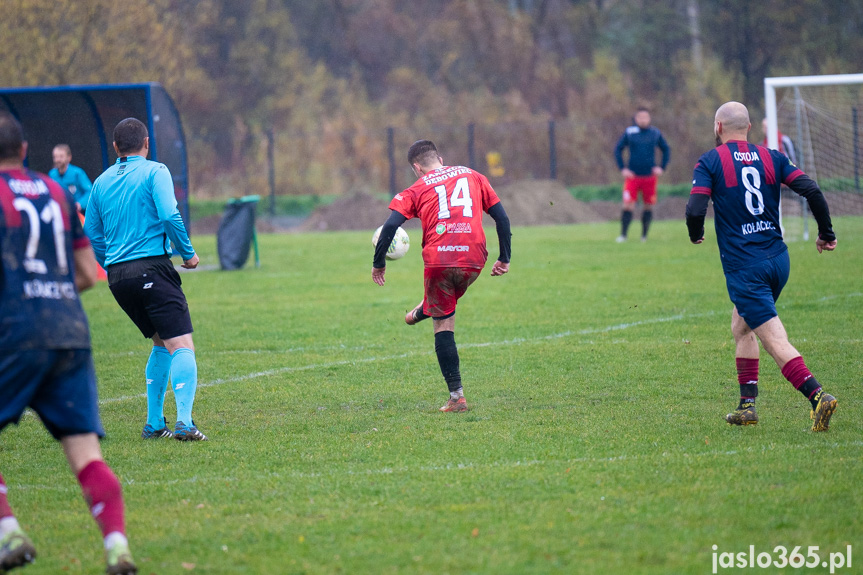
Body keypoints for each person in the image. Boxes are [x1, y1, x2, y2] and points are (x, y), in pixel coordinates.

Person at [0, 112, 137, 574]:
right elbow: (84, 274)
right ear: (24, 152)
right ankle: (117, 546)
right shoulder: (57, 192)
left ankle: (8, 532)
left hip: (14, 331)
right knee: (85, 454)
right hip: (69, 331)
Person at [686, 101, 838, 431]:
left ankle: (818, 396)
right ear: (749, 127)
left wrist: (695, 234)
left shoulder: (711, 161)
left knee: (773, 339)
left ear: (718, 128)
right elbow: (810, 189)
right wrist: (826, 233)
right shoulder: (772, 156)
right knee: (742, 327)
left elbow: (696, 206)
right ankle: (747, 406)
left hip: (746, 266)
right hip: (777, 260)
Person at [84, 118, 206, 441]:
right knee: (182, 344)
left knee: (160, 342)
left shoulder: (100, 182)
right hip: (152, 268)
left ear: (115, 147)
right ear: (147, 143)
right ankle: (185, 423)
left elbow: (91, 233)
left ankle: (154, 424)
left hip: (118, 278)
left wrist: (110, 263)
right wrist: (188, 253)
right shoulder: (156, 171)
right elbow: (168, 213)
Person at [372, 140, 511, 412]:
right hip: (475, 258)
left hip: (439, 260)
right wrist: (504, 258)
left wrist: (378, 263)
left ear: (416, 167)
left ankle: (457, 397)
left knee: (444, 322)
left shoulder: (416, 188)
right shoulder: (474, 176)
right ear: (440, 158)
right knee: (452, 289)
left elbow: (390, 226)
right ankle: (429, 307)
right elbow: (502, 219)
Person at [613, 106, 670, 242]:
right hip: (632, 176)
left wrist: (661, 167)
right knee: (628, 204)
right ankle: (623, 235)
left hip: (649, 177)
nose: (643, 120)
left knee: (648, 205)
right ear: (636, 119)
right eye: (640, 117)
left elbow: (666, 149)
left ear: (649, 119)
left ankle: (644, 236)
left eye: (645, 117)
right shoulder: (630, 132)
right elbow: (618, 149)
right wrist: (623, 168)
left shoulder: (655, 133)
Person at [48, 144, 93, 214]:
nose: (57, 160)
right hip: (61, 214)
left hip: (78, 214)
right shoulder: (52, 174)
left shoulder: (77, 173)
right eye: (55, 157)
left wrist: (80, 204)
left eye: (61, 156)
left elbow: (90, 192)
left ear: (69, 157)